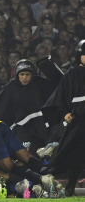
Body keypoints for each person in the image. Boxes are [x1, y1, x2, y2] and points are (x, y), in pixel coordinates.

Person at [42, 39, 85, 197]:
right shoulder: (72, 74)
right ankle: (67, 184)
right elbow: (61, 96)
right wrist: (64, 112)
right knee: (72, 153)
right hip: (78, 120)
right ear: (79, 55)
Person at [0, 59, 54, 155]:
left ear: (32, 75)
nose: (24, 77)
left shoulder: (39, 85)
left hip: (40, 128)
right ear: (17, 75)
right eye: (22, 74)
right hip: (20, 129)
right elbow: (0, 108)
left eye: (27, 74)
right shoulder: (11, 87)